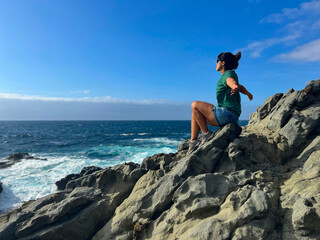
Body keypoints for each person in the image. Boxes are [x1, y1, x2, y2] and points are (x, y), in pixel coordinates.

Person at [187, 51, 253, 155]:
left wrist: (233, 85)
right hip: (232, 116)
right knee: (195, 114)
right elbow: (240, 87)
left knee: (194, 105)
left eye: (217, 61)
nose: (216, 63)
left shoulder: (227, 74)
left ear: (223, 63)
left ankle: (206, 134)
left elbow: (229, 81)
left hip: (225, 113)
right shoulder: (231, 74)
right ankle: (193, 142)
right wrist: (248, 93)